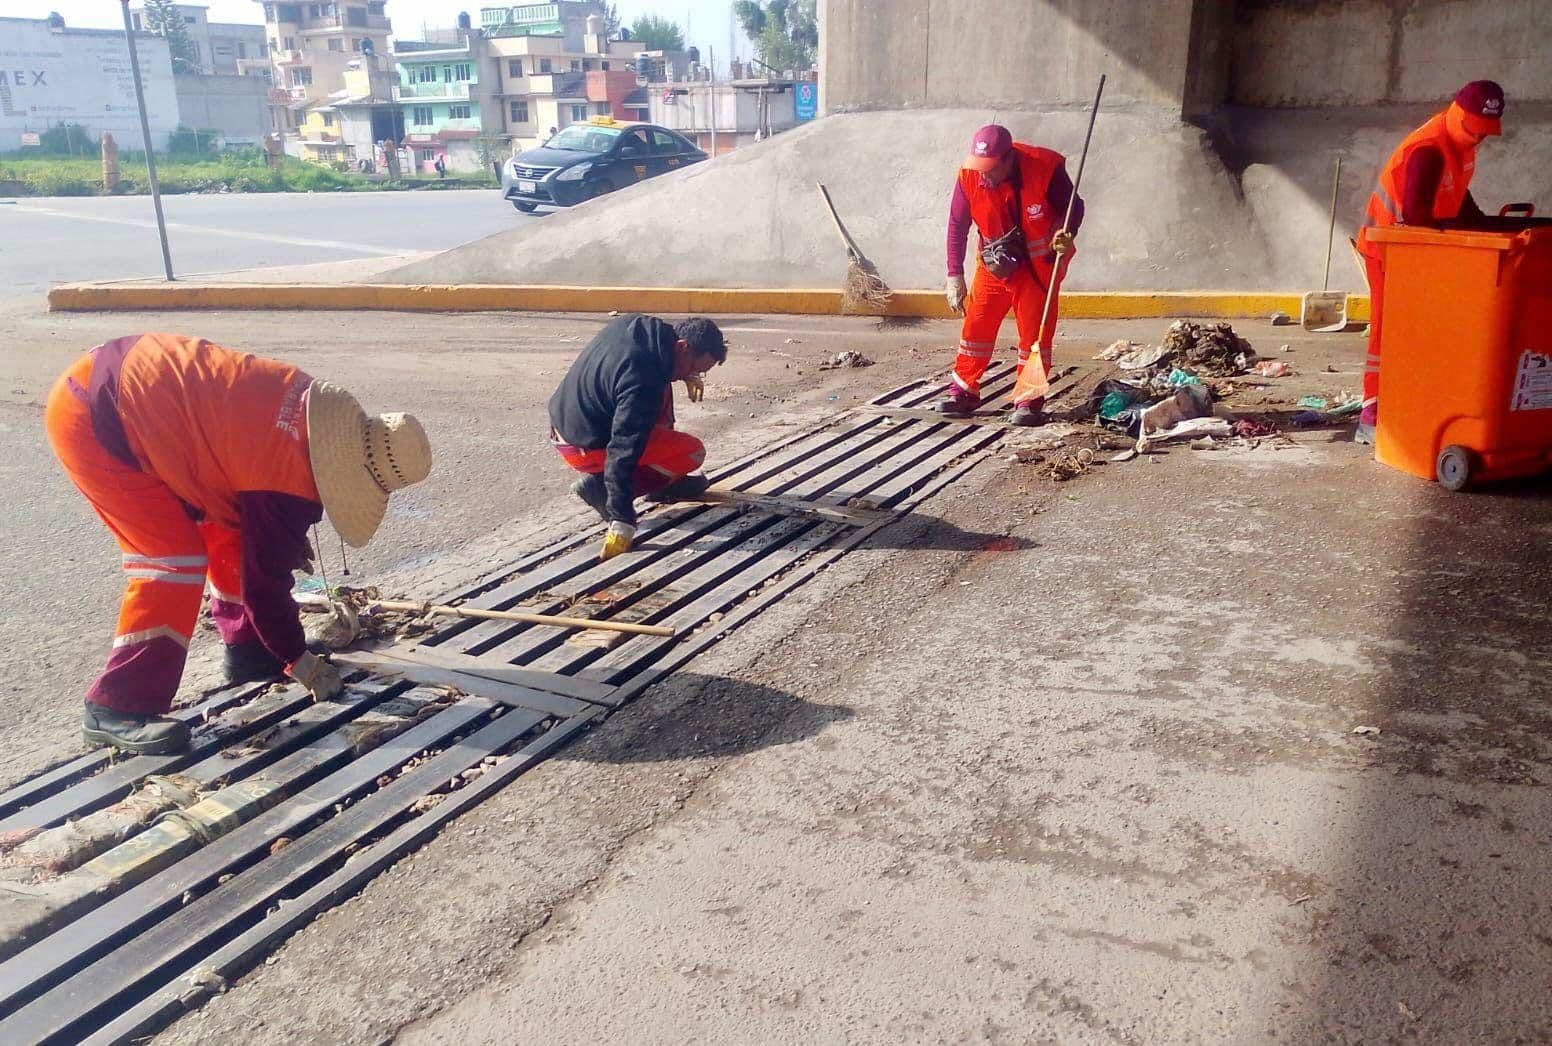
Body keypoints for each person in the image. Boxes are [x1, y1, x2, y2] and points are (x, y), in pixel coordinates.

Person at [45, 334, 432, 755]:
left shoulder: (307, 410)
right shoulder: (284, 484)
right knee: (172, 560)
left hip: (132, 385)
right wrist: (297, 659)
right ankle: (116, 704)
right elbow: (265, 586)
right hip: (97, 416)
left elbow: (252, 504)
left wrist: (277, 543)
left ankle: (250, 649)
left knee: (232, 532)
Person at [1355, 80, 1505, 444]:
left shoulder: (1457, 145)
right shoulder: (1428, 150)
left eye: (1484, 133)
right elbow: (1416, 214)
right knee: (1389, 333)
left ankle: (1414, 403)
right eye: (1472, 129)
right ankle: (1372, 413)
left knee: (1420, 332)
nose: (1477, 138)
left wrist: (1487, 227)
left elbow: (1456, 198)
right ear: (1456, 112)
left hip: (1417, 253)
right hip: (1389, 250)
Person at [549, 315, 726, 561]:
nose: (694, 374)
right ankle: (601, 489)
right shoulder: (642, 382)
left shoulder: (639, 328)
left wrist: (685, 373)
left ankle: (661, 482)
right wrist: (621, 516)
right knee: (692, 452)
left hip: (563, 426)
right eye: (695, 368)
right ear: (683, 346)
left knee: (663, 382)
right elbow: (623, 448)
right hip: (586, 446)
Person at [941, 124, 1085, 426]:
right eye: (980, 167)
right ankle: (964, 391)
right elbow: (957, 224)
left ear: (1009, 159)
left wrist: (1066, 232)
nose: (985, 174)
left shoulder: (1045, 168)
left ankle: (1029, 400)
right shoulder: (969, 175)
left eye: (991, 168)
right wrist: (955, 274)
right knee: (976, 326)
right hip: (995, 263)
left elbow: (1074, 207)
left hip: (1039, 265)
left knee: (1034, 336)